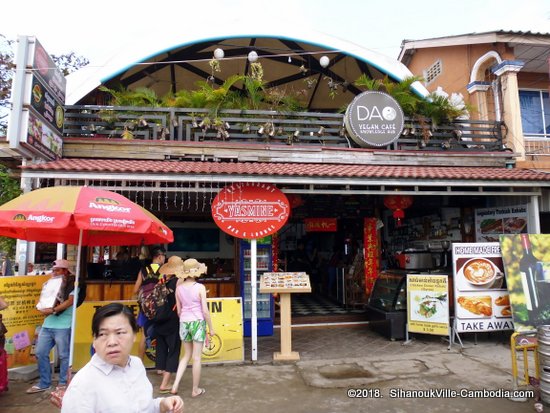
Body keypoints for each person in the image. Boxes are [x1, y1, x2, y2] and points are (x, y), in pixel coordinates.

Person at [61, 303, 184, 413]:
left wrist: (163, 405)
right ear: (94, 340)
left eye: (120, 333)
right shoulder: (83, 384)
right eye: (103, 334)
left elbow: (143, 407)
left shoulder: (136, 365)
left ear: (134, 335)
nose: (112, 342)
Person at [26, 259, 74, 394]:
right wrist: (41, 307)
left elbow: (70, 301)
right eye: (53, 270)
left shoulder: (73, 284)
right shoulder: (49, 284)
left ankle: (63, 383)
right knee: (40, 352)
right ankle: (44, 382)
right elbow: (44, 300)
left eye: (58, 270)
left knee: (64, 355)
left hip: (64, 324)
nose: (54, 273)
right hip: (48, 323)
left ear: (65, 271)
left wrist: (53, 310)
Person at [171, 258, 214, 397]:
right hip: (197, 322)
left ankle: (175, 385)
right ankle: (195, 390)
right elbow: (205, 311)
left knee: (186, 356)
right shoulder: (200, 288)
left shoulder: (178, 289)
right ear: (196, 272)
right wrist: (211, 328)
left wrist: (185, 319)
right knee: (196, 358)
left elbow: (178, 311)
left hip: (183, 322)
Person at [132, 246, 166, 361]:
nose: (164, 259)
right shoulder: (163, 270)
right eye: (164, 257)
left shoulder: (143, 270)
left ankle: (140, 364)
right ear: (160, 257)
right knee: (161, 335)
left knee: (144, 336)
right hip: (159, 307)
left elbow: (135, 289)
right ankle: (160, 365)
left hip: (145, 307)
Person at [155, 256, 182, 393]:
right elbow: (179, 303)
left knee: (161, 348)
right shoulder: (178, 282)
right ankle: (164, 384)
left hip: (159, 319)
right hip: (172, 320)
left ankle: (163, 376)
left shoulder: (162, 281)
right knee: (173, 350)